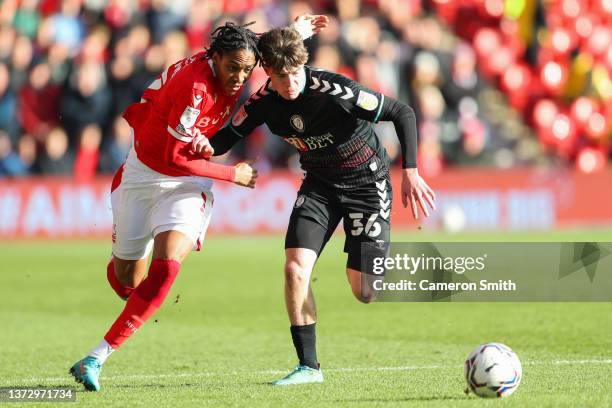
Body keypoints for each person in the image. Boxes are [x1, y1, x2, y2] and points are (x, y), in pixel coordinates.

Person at [69, 16, 329, 392]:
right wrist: (232, 175)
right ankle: (127, 279)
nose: (240, 77)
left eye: (246, 69)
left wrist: (296, 31)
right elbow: (175, 157)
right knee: (128, 282)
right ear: (215, 58)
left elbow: (263, 49)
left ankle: (96, 356)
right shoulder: (196, 87)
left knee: (167, 269)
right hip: (144, 174)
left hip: (188, 184)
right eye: (233, 68)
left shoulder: (236, 60)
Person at [210, 27, 436, 385]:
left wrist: (410, 170)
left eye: (296, 73)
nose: (290, 83)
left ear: (305, 63)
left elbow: (402, 112)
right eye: (281, 76)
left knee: (364, 291)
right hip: (320, 185)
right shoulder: (263, 102)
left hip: (366, 184)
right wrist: (188, 148)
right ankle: (308, 368)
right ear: (267, 72)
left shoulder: (335, 91)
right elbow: (224, 138)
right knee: (294, 268)